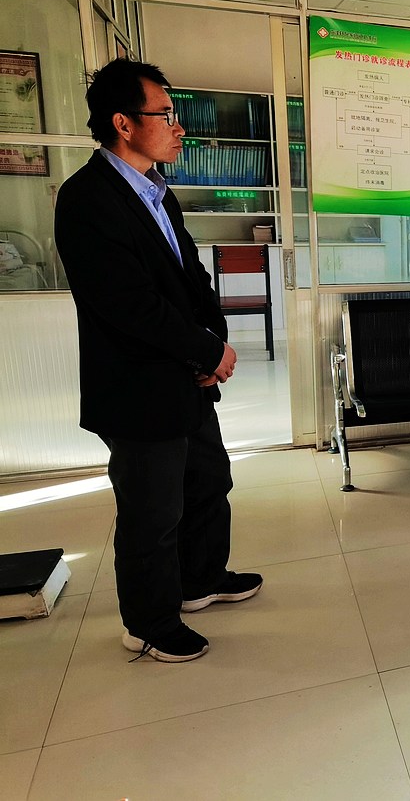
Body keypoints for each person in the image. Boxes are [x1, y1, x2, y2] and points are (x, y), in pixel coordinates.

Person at [54, 58, 262, 664]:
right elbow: (129, 306)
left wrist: (213, 340)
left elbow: (192, 277)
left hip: (187, 378)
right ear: (123, 123)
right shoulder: (87, 199)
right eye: (165, 115)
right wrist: (207, 349)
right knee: (152, 510)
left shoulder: (156, 192)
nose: (179, 128)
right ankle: (148, 623)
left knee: (208, 481)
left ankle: (200, 580)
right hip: (138, 387)